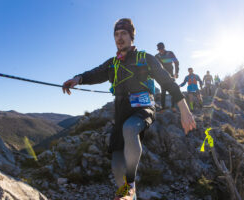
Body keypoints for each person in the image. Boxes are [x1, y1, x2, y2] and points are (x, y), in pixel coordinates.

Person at [62, 18, 196, 200]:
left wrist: (184, 110)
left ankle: (130, 184)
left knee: (130, 129)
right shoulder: (112, 63)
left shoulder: (145, 58)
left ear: (131, 36)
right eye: (116, 34)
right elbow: (95, 73)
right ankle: (129, 194)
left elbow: (167, 81)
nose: (119, 37)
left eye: (123, 33)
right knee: (117, 167)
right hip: (121, 112)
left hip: (143, 109)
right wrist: (77, 79)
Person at [155, 42, 179, 112]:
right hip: (161, 76)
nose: (160, 50)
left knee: (173, 89)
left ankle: (173, 106)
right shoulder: (157, 56)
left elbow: (176, 62)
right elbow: (154, 66)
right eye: (159, 49)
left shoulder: (170, 53)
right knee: (163, 91)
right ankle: (163, 108)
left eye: (161, 49)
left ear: (164, 48)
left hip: (171, 75)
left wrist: (176, 72)